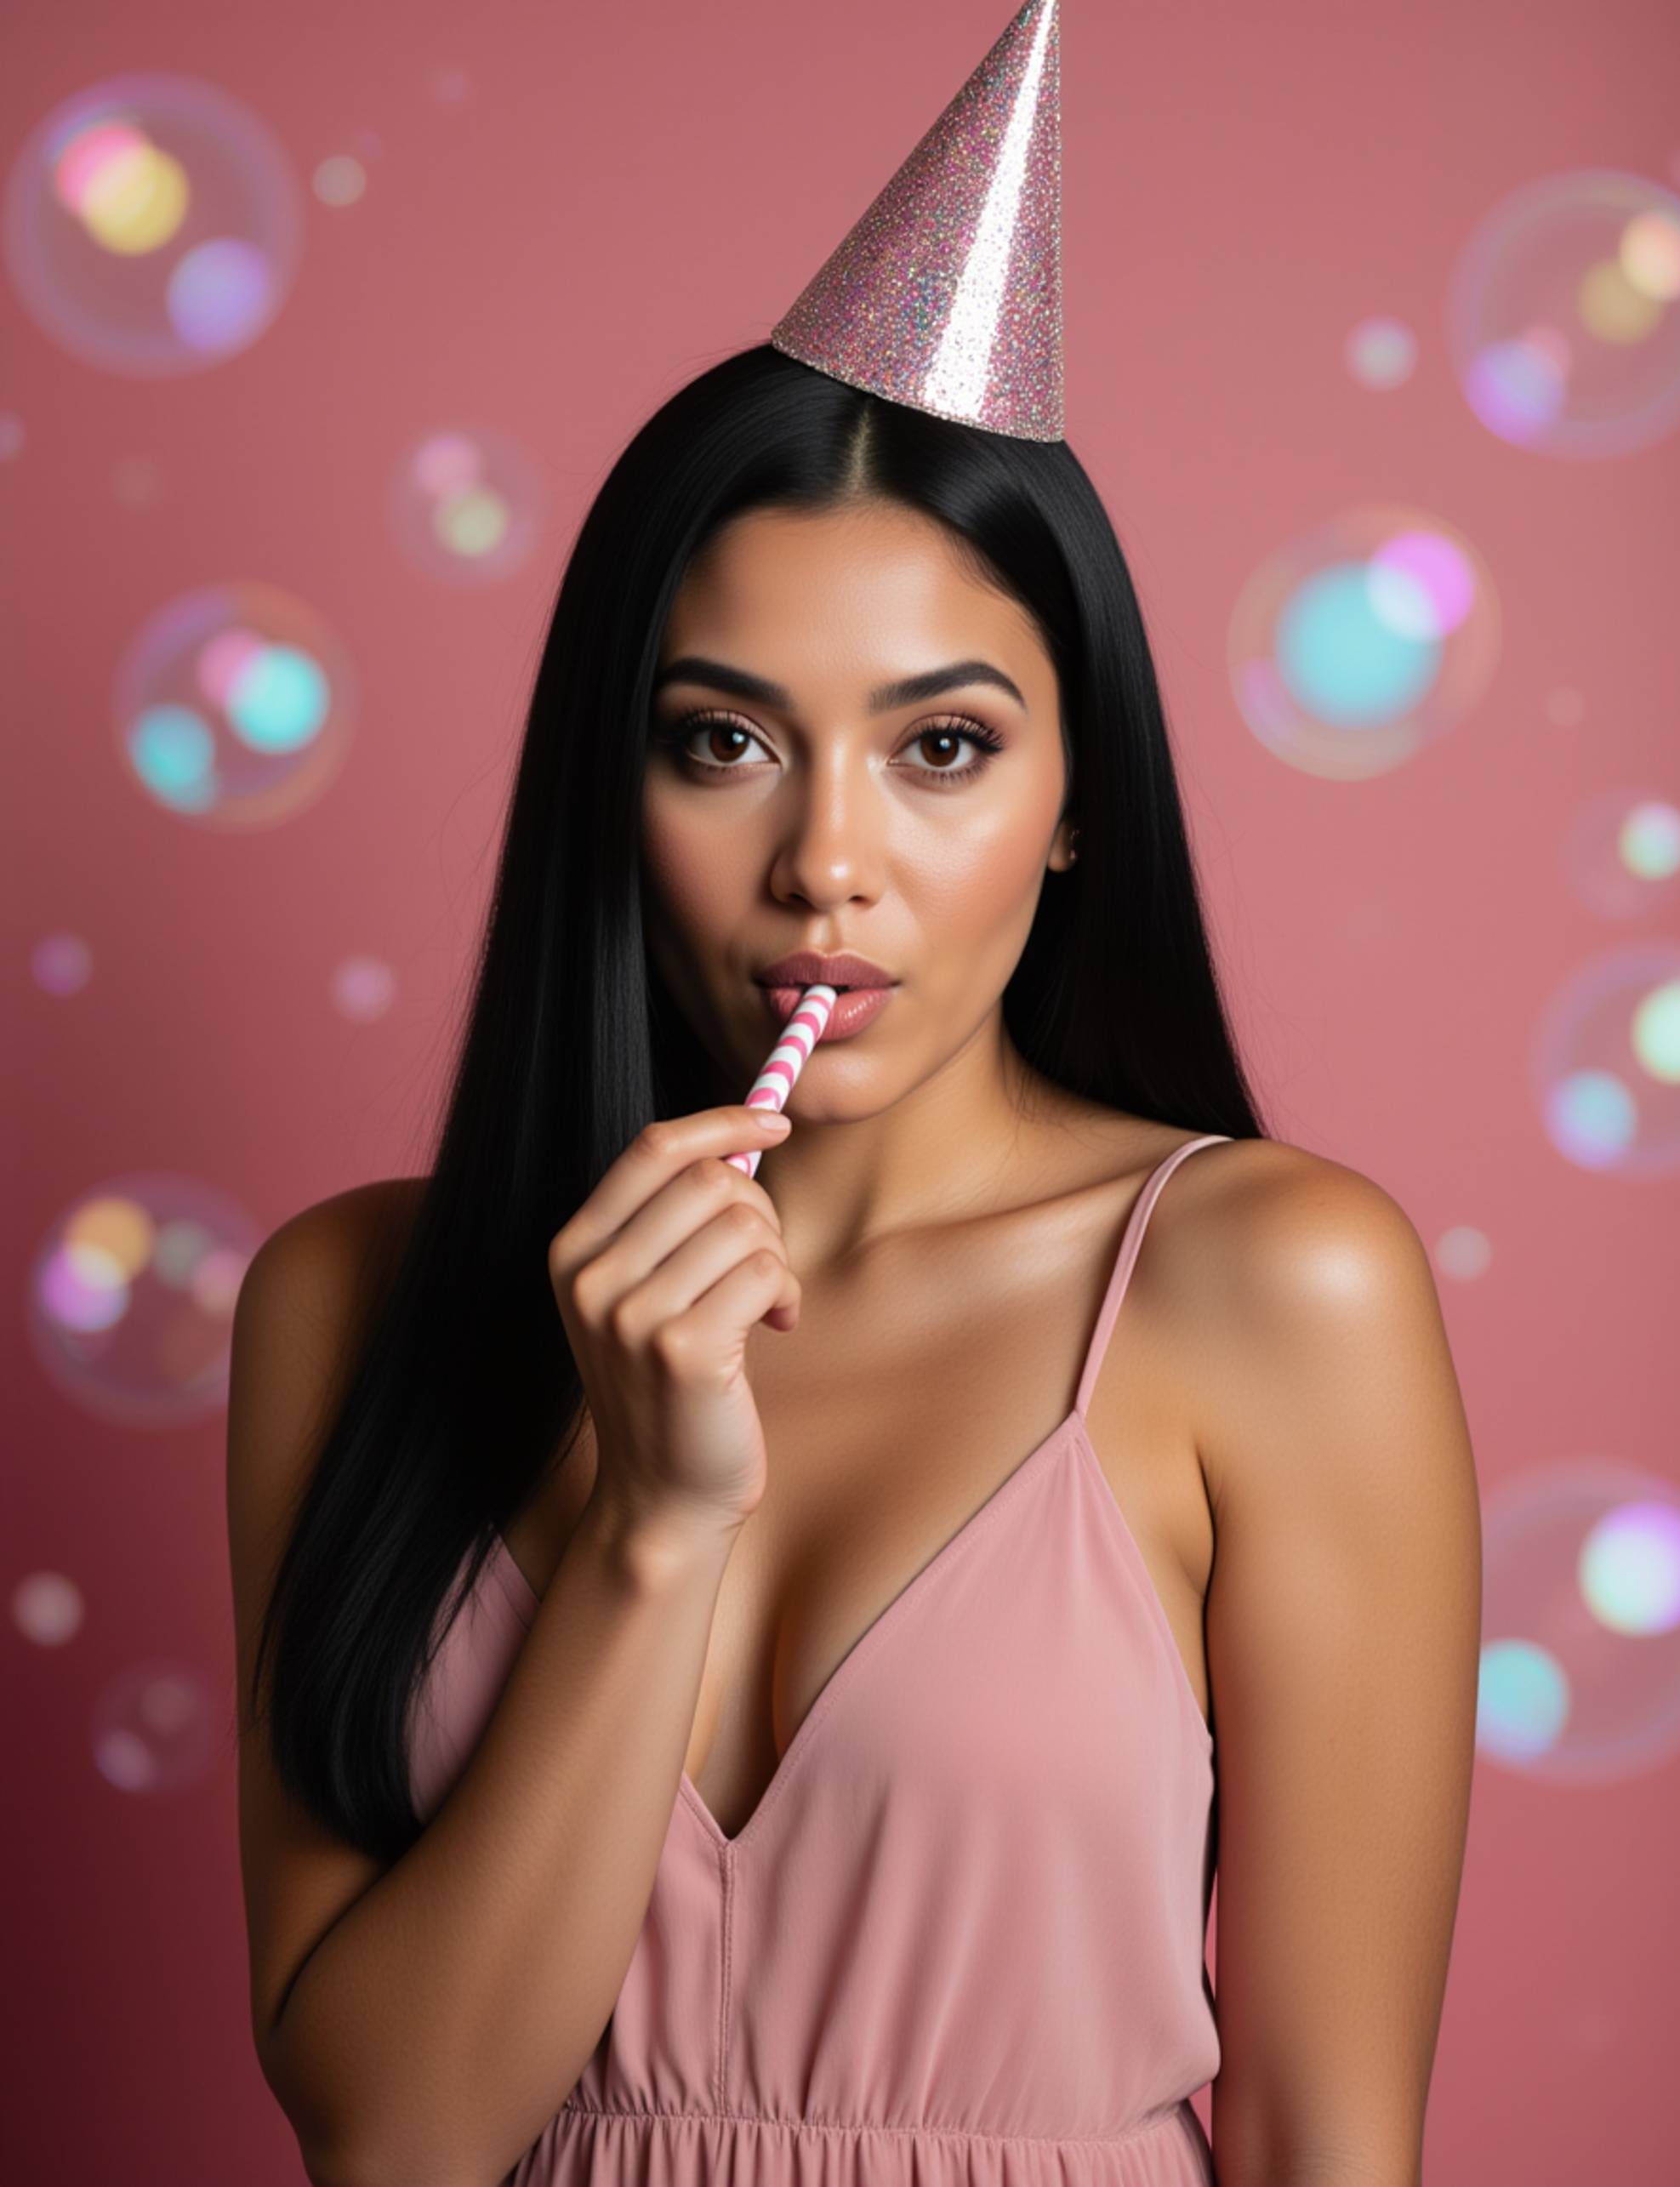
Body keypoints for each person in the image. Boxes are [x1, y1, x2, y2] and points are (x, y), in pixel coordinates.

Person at [226, 6, 1481, 2184]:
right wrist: (651, 1519)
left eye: (944, 745)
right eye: (722, 738)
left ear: (1077, 794)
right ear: (606, 788)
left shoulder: (1273, 1286)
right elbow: (393, 2135)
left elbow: (1330, 2136)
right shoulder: (350, 1299)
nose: (827, 857)